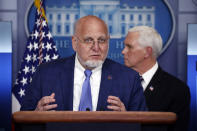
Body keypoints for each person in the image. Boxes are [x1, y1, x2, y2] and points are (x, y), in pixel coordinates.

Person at [20, 15, 147, 112]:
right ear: (75, 43)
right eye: (88, 40)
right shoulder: (46, 74)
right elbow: (23, 120)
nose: (96, 47)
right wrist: (36, 114)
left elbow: (143, 125)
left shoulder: (129, 79)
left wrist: (127, 119)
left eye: (102, 40)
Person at [122, 26, 190, 131]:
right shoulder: (115, 82)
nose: (123, 51)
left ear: (147, 52)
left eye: (129, 47)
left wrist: (127, 118)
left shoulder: (176, 90)